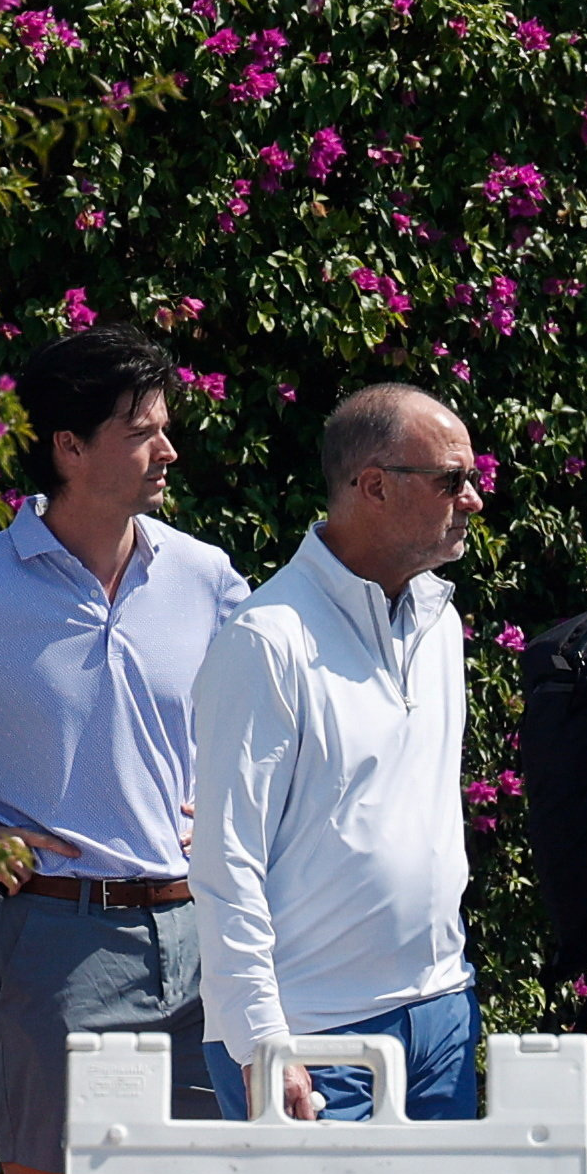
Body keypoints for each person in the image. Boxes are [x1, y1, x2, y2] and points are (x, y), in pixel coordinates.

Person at [0, 325, 249, 1174]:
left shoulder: (208, 577)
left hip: (200, 938)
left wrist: (238, 807)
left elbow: (277, 729)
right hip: (51, 945)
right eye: (144, 430)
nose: (170, 450)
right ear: (69, 447)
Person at [190, 384, 484, 1122]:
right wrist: (262, 1041)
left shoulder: (438, 622)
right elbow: (226, 861)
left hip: (441, 1012)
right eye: (452, 480)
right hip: (312, 1035)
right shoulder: (268, 640)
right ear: (374, 486)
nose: (473, 499)